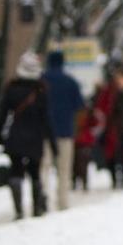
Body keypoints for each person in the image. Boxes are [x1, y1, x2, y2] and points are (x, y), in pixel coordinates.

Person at [0, 51, 58, 219]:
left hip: (15, 137)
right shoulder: (41, 89)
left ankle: (18, 210)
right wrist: (52, 143)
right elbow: (46, 119)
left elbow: (1, 114)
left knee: (16, 171)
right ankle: (37, 208)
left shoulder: (11, 88)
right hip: (35, 137)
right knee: (34, 172)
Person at [42, 50, 85, 210]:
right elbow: (80, 107)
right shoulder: (70, 82)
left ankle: (43, 198)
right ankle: (62, 201)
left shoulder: (42, 81)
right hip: (65, 130)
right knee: (64, 168)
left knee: (44, 167)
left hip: (45, 131)